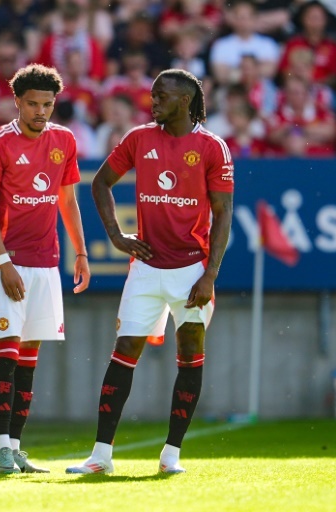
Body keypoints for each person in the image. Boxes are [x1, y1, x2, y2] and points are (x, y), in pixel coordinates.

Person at [66, 68, 234, 475]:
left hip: (191, 271)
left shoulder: (212, 148)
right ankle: (100, 456)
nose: (153, 102)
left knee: (190, 355)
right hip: (144, 268)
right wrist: (117, 235)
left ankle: (171, 456)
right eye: (153, 95)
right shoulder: (140, 138)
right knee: (123, 354)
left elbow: (223, 212)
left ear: (185, 101)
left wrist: (210, 274)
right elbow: (100, 183)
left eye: (161, 96)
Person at [0, 63, 90, 474]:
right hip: (6, 260)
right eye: (33, 104)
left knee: (29, 357)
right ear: (17, 102)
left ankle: (17, 446)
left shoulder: (64, 140)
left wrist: (81, 253)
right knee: (6, 353)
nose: (41, 111)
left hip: (46, 262)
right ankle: (1, 448)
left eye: (48, 104)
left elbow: (68, 202)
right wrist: (3, 262)